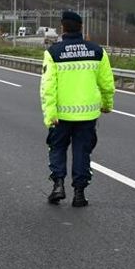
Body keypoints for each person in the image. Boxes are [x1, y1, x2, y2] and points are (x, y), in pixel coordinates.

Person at [39, 11, 115, 207]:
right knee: (82, 152)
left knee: (57, 148)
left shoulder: (53, 52)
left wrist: (50, 115)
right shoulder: (97, 51)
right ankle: (79, 194)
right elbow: (107, 83)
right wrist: (107, 104)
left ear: (62, 27)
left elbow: (47, 87)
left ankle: (58, 185)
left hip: (61, 115)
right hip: (88, 115)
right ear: (81, 27)